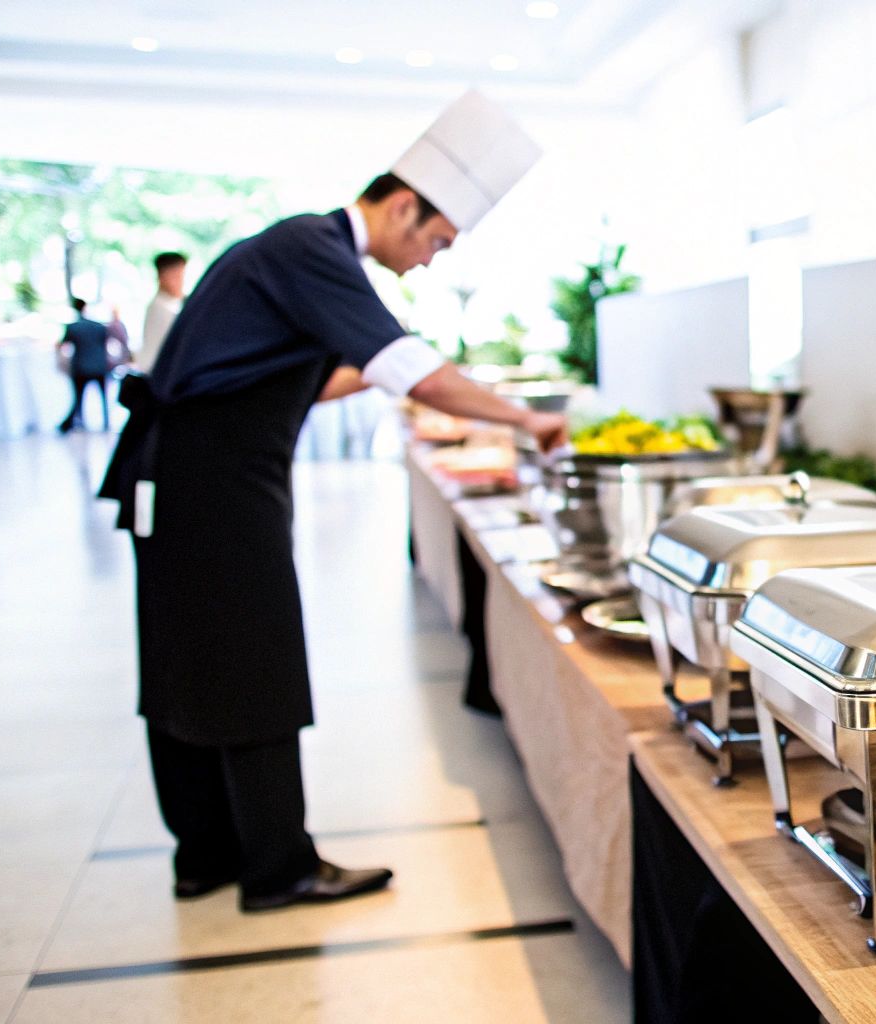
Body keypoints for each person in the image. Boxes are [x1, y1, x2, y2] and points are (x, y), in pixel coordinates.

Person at [99, 90, 559, 913]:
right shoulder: (314, 249)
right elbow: (403, 368)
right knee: (253, 662)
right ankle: (279, 867)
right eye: (438, 241)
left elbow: (321, 379)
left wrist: (431, 382)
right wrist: (524, 418)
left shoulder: (296, 252)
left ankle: (205, 854)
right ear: (404, 206)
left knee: (187, 660)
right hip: (214, 485)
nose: (431, 260)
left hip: (185, 478)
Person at [58, 298, 114, 432]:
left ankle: (81, 421)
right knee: (103, 397)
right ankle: (106, 422)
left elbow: (62, 345)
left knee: (79, 397)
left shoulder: (73, 327)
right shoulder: (99, 326)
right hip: (99, 366)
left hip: (81, 367)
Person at [138, 252, 186, 374]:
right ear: (162, 277)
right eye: (176, 277)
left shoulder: (170, 305)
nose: (181, 283)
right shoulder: (161, 308)